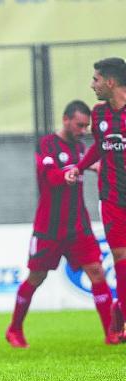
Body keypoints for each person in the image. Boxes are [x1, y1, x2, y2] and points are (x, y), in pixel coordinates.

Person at [6, 100, 114, 347]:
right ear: (66, 120)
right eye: (79, 125)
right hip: (49, 228)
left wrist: (93, 167)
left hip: (78, 226)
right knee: (36, 276)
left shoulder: (79, 147)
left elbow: (85, 164)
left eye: (87, 126)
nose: (83, 130)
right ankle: (14, 329)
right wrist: (65, 175)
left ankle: (111, 333)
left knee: (97, 272)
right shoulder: (47, 144)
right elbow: (48, 176)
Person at [65, 57, 126, 342]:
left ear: (110, 82)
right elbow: (99, 149)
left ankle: (119, 308)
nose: (93, 85)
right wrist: (79, 166)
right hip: (112, 198)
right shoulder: (99, 115)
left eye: (96, 80)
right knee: (121, 258)